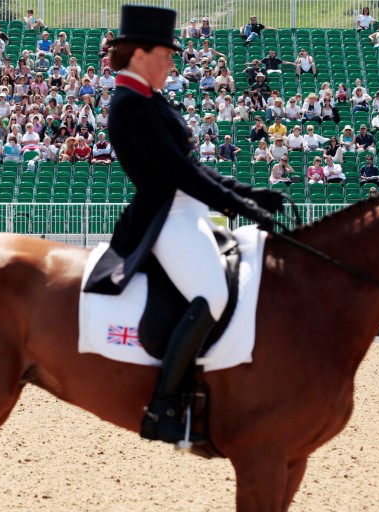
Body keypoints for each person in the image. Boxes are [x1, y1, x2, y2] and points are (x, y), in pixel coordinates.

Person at [84, 6, 280, 446]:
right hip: (165, 214)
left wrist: (249, 193)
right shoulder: (130, 104)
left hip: (187, 209)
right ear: (139, 54)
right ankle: (162, 406)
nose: (173, 63)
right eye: (166, 54)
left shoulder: (150, 97)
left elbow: (193, 168)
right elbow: (179, 172)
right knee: (211, 293)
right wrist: (240, 205)